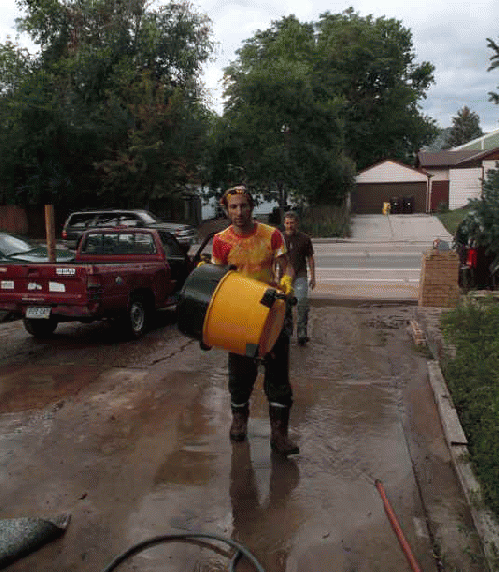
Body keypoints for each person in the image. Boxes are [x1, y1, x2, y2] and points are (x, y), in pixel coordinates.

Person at [211, 185, 299, 456]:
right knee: (240, 373)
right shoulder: (220, 241)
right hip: (238, 316)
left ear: (251, 207)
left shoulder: (271, 235)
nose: (239, 212)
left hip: (272, 313)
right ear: (226, 210)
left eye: (243, 206)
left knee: (277, 375)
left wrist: (286, 282)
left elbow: (287, 266)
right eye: (233, 207)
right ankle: (239, 421)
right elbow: (217, 279)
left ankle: (279, 434)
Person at [283, 211, 316, 346]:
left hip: (300, 275)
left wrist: (313, 276)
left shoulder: (304, 239)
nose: (289, 226)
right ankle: (287, 332)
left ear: (297, 223)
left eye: (292, 223)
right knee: (285, 306)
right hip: (284, 278)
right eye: (287, 223)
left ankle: (302, 332)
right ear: (284, 223)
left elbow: (310, 258)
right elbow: (273, 259)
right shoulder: (279, 238)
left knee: (302, 303)